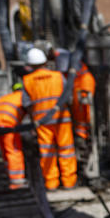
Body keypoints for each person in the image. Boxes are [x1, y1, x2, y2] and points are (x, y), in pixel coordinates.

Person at [21, 47, 76, 189]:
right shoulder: (58, 76)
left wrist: (34, 121)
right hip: (62, 119)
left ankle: (51, 184)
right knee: (66, 150)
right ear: (45, 62)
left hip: (42, 122)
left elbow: (27, 104)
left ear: (30, 65)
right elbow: (68, 98)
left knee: (47, 152)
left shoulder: (27, 80)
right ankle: (69, 182)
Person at [0, 88, 28, 189]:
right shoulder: (25, 97)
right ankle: (17, 180)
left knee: (5, 151)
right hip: (7, 121)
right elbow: (31, 112)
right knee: (14, 150)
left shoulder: (9, 96)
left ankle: (9, 174)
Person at [71, 62, 95, 155]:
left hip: (83, 128)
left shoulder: (85, 79)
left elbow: (85, 106)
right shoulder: (79, 78)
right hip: (80, 125)